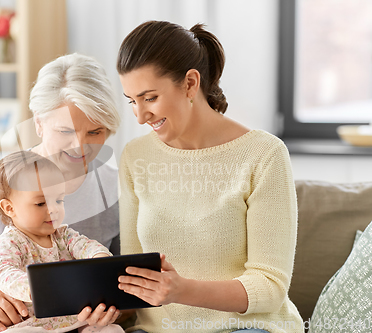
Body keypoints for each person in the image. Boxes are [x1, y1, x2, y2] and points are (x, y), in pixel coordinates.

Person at [116, 21, 304, 333]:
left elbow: (269, 286)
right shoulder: (136, 157)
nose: (139, 116)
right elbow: (134, 273)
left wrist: (181, 290)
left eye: (149, 98)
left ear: (190, 83)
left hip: (247, 329)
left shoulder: (264, 154)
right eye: (132, 101)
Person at [0, 53, 121, 333]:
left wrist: (111, 309)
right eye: (66, 130)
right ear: (39, 124)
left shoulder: (113, 188)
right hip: (4, 322)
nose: (81, 148)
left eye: (95, 132)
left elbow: (122, 283)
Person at [0, 151, 123, 333]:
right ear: (9, 208)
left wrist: (99, 258)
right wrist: (35, 288)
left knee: (110, 330)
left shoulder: (64, 235)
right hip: (22, 323)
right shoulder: (9, 242)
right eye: (40, 203)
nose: (53, 209)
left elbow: (86, 246)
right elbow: (3, 272)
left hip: (65, 320)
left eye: (58, 200)